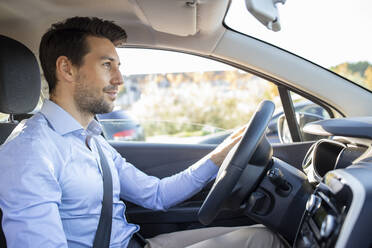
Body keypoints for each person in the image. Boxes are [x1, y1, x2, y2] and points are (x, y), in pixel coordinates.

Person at [0, 17, 284, 248]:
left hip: (137, 243)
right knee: (265, 241)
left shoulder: (91, 139)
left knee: (264, 232)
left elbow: (157, 195)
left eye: (118, 66)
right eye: (106, 65)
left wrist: (220, 156)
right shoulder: (29, 151)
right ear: (67, 69)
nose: (119, 79)